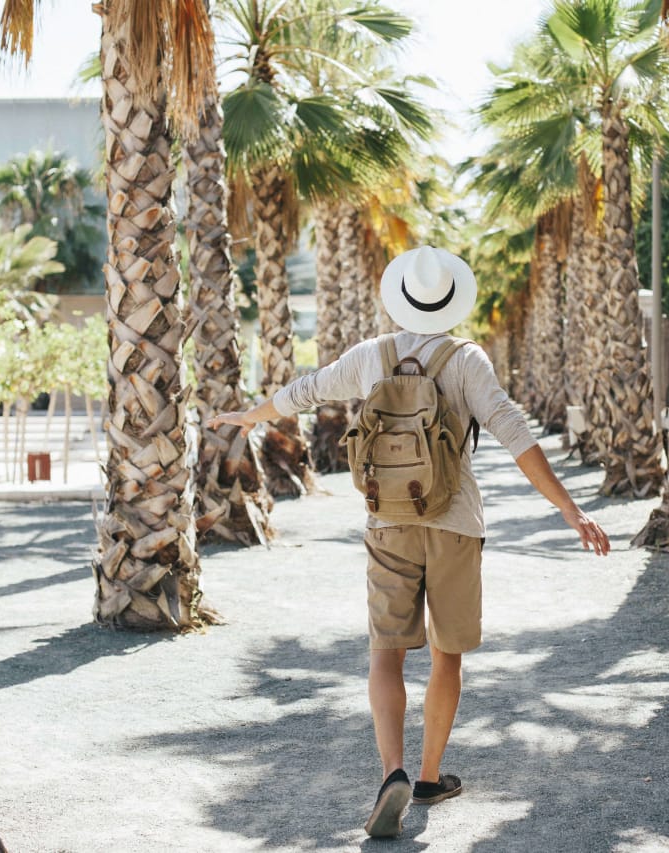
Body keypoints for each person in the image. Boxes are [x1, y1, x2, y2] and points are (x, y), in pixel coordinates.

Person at [208, 246, 610, 839]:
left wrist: (251, 415)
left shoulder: (372, 355)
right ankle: (427, 775)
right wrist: (571, 511)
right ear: (451, 301)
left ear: (400, 298)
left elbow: (307, 390)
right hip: (455, 522)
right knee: (447, 652)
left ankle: (390, 770)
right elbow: (512, 432)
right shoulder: (466, 359)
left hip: (387, 521)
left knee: (385, 652)